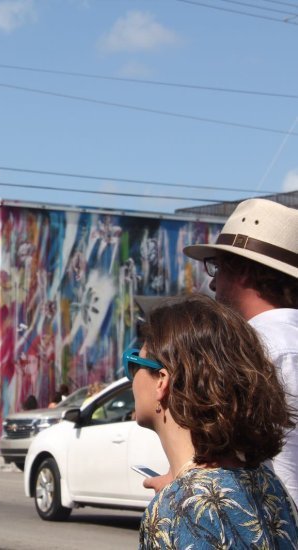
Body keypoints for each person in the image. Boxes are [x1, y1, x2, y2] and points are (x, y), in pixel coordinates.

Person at [124, 294, 298, 548]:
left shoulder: (176, 511)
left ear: (162, 381)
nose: (131, 377)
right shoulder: (268, 484)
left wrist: (177, 501)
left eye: (133, 364)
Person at [180, 197, 298, 503]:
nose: (214, 284)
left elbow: (276, 473)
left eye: (218, 268)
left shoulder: (255, 350)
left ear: (244, 271)